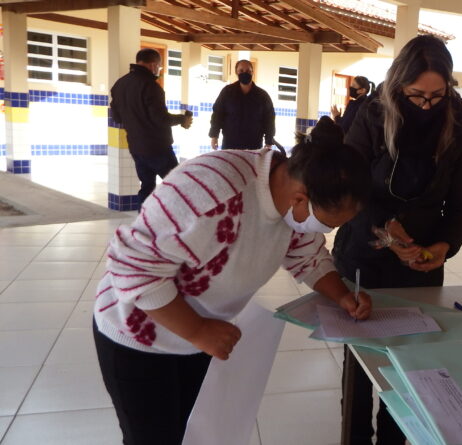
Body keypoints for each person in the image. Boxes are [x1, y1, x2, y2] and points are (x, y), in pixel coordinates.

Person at [93, 116, 373, 445]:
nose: (325, 231)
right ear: (301, 198)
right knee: (151, 437)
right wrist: (197, 330)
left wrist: (341, 296)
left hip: (197, 337)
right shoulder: (212, 189)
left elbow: (306, 254)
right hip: (137, 336)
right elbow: (133, 266)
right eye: (328, 223)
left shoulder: (287, 198)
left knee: (188, 431)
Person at [333, 35, 462, 445]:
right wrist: (385, 229)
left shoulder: (459, 126)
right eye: (417, 96)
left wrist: (443, 248)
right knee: (363, 368)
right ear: (398, 86)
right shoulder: (373, 116)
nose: (427, 105)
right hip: (364, 255)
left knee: (411, 366)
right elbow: (351, 188)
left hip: (420, 265)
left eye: (437, 95)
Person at [110, 48, 193, 206]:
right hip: (157, 147)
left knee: (147, 186)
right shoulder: (151, 86)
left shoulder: (119, 84)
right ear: (154, 65)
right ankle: (178, 221)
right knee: (177, 186)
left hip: (136, 147)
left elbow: (116, 117)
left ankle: (143, 223)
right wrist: (182, 119)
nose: (159, 70)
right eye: (160, 67)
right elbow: (160, 119)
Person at [209, 59, 276, 150]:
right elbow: (217, 114)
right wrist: (214, 136)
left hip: (254, 146)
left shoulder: (262, 96)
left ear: (252, 72)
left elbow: (269, 119)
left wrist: (269, 142)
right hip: (230, 144)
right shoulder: (227, 92)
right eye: (241, 70)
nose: (245, 73)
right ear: (236, 72)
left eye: (248, 71)